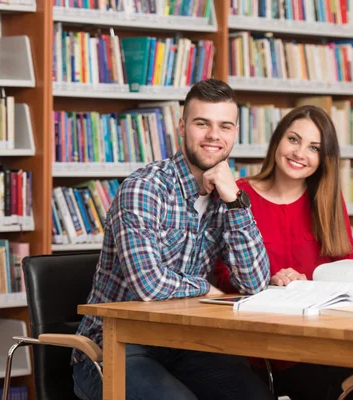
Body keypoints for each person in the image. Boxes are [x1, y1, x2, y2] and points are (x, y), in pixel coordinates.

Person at [72, 78, 275, 400]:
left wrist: (235, 201)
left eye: (225, 126)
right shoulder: (144, 188)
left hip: (185, 345)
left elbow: (255, 282)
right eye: (201, 123)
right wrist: (203, 287)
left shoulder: (228, 195)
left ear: (235, 132)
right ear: (182, 126)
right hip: (116, 347)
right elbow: (149, 285)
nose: (213, 135)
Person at [214, 105, 353, 400]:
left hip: (318, 342)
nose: (299, 153)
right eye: (293, 140)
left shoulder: (326, 200)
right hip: (257, 347)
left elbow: (345, 262)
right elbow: (219, 273)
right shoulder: (238, 195)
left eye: (313, 147)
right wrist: (268, 280)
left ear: (323, 159)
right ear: (278, 140)